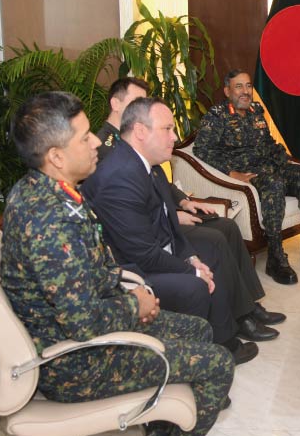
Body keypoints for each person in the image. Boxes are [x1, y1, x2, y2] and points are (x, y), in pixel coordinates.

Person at [0, 92, 233, 436]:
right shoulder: (49, 223)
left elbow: (90, 272)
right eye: (84, 137)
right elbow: (83, 323)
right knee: (218, 364)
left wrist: (134, 291)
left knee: (199, 330)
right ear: (56, 157)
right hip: (75, 363)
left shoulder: (49, 191)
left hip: (84, 330)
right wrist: (135, 305)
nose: (97, 141)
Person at [83, 97, 277, 366]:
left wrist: (191, 257)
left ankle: (227, 334)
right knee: (197, 281)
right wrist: (192, 270)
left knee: (211, 247)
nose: (174, 137)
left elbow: (170, 225)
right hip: (132, 268)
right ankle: (212, 350)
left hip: (156, 248)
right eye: (167, 129)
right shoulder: (119, 176)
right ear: (140, 131)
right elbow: (143, 254)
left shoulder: (147, 165)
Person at [193, 69, 300, 285]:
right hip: (250, 173)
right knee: (274, 183)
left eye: (248, 86)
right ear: (227, 91)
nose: (245, 91)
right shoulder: (217, 116)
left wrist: (285, 161)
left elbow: (267, 142)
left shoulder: (256, 110)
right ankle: (275, 258)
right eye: (239, 86)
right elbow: (202, 150)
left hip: (271, 167)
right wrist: (231, 172)